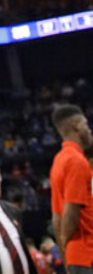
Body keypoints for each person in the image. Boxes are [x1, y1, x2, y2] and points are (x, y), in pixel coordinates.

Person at [49, 104, 93, 274]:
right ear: (76, 125)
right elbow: (71, 211)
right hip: (87, 253)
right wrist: (66, 244)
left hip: (78, 258)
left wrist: (66, 253)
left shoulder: (58, 161)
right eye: (86, 125)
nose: (89, 130)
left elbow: (57, 218)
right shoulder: (77, 161)